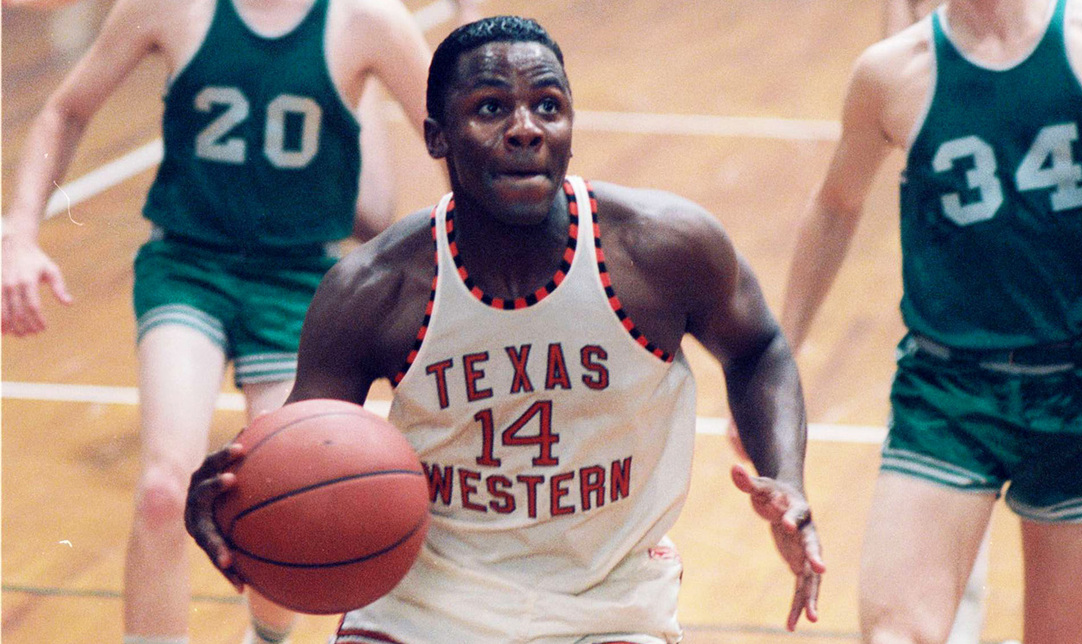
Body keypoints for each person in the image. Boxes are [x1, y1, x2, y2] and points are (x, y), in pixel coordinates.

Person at [185, 15, 826, 644]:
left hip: (609, 604)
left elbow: (758, 349)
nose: (525, 128)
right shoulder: (375, 289)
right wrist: (232, 498)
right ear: (437, 137)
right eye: (491, 108)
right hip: (421, 605)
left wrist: (788, 482)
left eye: (548, 106)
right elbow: (301, 453)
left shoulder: (659, 249)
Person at [0, 0, 434, 642]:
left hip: (301, 281)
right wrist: (19, 233)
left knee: (289, 498)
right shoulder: (170, 7)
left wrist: (461, 259)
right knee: (161, 490)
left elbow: (454, 135)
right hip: (188, 266)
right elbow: (66, 109)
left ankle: (266, 636)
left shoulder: (367, 20)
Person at [783, 0, 1082, 642]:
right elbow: (836, 205)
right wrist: (778, 355)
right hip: (947, 391)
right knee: (895, 634)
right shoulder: (891, 72)